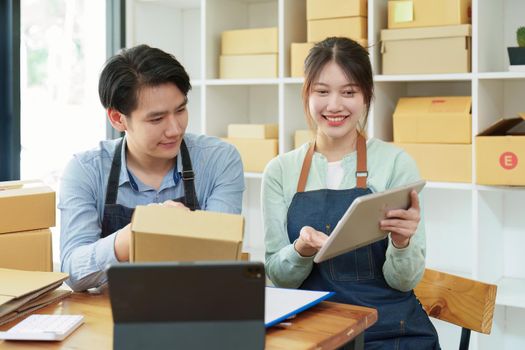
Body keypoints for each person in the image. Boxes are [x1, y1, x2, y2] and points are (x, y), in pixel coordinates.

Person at [262, 37, 440, 349]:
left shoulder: (395, 164)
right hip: (316, 332)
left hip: (391, 331)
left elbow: (404, 281)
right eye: (321, 91)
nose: (334, 105)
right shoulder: (280, 171)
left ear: (366, 95)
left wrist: (401, 243)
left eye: (349, 92)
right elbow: (280, 277)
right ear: (306, 94)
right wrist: (301, 249)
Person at [59, 45, 244, 292]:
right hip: (111, 314)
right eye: (156, 119)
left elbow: (223, 260)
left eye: (180, 110)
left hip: (198, 306)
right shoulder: (85, 171)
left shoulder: (220, 160)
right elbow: (71, 272)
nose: (175, 129)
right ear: (117, 119)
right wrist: (131, 237)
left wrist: (188, 226)